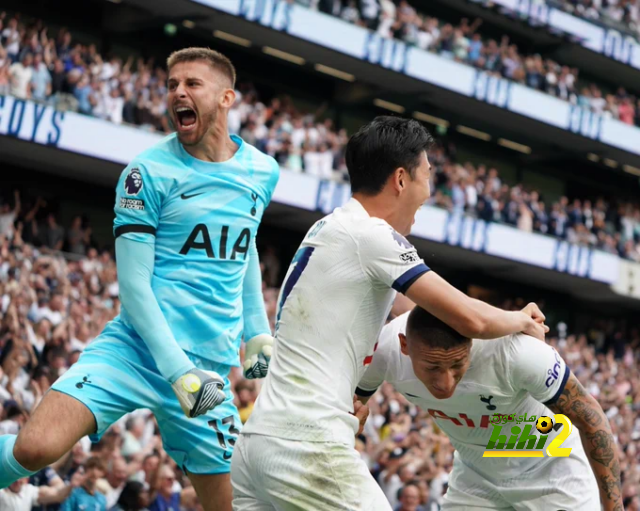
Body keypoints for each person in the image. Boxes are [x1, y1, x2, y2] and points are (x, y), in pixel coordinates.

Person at [0, 47, 279, 511]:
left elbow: (243, 243)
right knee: (36, 448)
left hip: (206, 369)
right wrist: (177, 372)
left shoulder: (262, 171)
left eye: (191, 84)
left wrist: (257, 330)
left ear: (227, 98)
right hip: (136, 351)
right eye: (171, 85)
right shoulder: (145, 173)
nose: (177, 93)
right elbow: (132, 287)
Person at [231, 116, 547, 510]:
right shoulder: (371, 236)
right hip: (304, 441)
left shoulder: (330, 228)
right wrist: (521, 319)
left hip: (257, 444)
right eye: (427, 176)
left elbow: (421, 314)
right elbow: (468, 319)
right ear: (401, 179)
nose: (429, 192)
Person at [356, 306, 622, 511]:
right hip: (476, 475)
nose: (445, 383)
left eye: (457, 364)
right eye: (433, 368)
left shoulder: (517, 352)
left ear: (472, 342)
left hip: (552, 469)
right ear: (405, 346)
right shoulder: (384, 352)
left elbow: (591, 419)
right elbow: (351, 405)